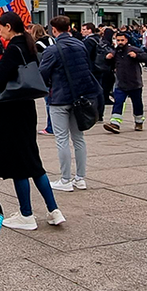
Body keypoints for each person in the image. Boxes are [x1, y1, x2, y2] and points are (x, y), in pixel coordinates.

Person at [0, 11, 64, 230]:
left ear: (9, 26)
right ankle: (54, 210)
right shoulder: (28, 45)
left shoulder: (13, 48)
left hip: (10, 109)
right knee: (33, 161)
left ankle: (26, 214)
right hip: (26, 106)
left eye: (0, 27)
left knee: (19, 164)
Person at [41, 15, 101, 191]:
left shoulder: (52, 50)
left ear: (54, 30)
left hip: (59, 97)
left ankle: (65, 179)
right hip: (80, 97)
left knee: (62, 139)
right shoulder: (80, 45)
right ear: (69, 28)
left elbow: (42, 73)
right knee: (79, 138)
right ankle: (80, 178)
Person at [104, 30, 147, 132]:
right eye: (118, 40)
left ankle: (139, 121)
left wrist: (137, 56)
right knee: (118, 102)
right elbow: (108, 65)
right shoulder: (115, 52)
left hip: (134, 82)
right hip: (120, 83)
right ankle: (115, 123)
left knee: (137, 103)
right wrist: (108, 59)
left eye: (122, 40)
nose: (120, 42)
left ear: (126, 40)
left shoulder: (134, 50)